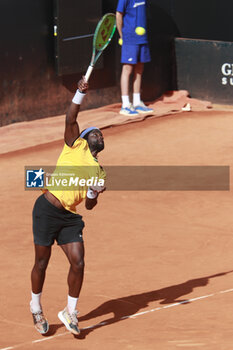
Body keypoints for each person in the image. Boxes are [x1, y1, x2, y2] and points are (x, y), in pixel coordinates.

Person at [30, 77, 106, 335]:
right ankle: (36, 306)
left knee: (79, 263)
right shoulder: (76, 144)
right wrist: (78, 93)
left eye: (101, 133)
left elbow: (90, 205)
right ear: (85, 137)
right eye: (94, 131)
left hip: (70, 218)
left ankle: (70, 311)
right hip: (46, 209)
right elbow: (71, 117)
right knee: (42, 263)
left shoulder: (100, 171)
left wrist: (94, 191)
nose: (99, 133)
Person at [116, 0, 154, 116]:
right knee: (127, 69)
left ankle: (137, 102)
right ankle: (125, 105)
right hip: (129, 38)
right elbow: (118, 15)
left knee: (139, 68)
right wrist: (122, 35)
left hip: (142, 38)